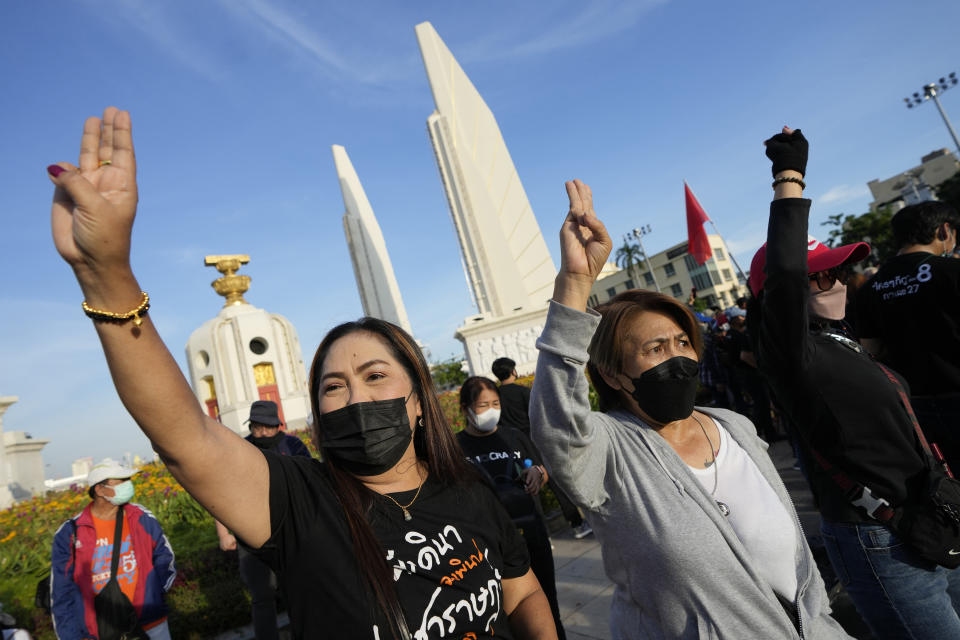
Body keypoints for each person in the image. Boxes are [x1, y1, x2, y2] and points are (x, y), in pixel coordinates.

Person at [46, 107, 555, 640]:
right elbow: (185, 436)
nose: (355, 397)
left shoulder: (467, 490)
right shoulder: (301, 505)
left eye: (376, 376)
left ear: (419, 399)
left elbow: (521, 589)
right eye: (333, 386)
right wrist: (106, 276)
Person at [529, 179, 849, 638]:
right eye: (656, 348)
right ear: (616, 374)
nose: (677, 357)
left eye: (683, 342)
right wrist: (575, 284)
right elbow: (558, 423)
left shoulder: (735, 426)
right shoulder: (607, 450)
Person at [749, 127, 960, 638]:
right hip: (881, 540)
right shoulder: (790, 353)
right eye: (819, 275)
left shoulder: (841, 342)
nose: (837, 281)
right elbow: (783, 272)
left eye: (840, 272)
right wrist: (789, 179)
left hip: (931, 521)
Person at [456, 377, 565, 640]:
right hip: (486, 545)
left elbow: (544, 469)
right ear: (465, 409)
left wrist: (538, 474)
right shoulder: (453, 447)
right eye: (483, 405)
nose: (492, 410)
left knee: (546, 606)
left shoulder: (513, 437)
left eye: (496, 403)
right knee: (504, 616)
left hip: (531, 534)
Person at [857, 201, 960, 471]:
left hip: (915, 407)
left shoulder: (871, 288)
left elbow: (871, 350)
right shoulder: (952, 272)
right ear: (944, 230)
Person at [214, 400, 311, 640]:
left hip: (292, 530)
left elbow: (311, 483)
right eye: (257, 427)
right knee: (261, 597)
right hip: (250, 535)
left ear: (278, 425)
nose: (262, 433)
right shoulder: (240, 449)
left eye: (267, 427)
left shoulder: (293, 445)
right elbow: (221, 493)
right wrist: (223, 532)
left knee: (298, 590)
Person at [50, 459, 176, 640]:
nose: (129, 485)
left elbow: (165, 556)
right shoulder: (71, 532)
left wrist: (155, 591)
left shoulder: (140, 517)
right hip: (102, 630)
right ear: (100, 490)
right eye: (122, 481)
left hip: (151, 622)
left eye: (128, 480)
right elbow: (61, 592)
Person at [491, 358, 592, 539]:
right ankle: (577, 524)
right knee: (554, 482)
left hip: (512, 446)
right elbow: (539, 416)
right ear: (513, 371)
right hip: (534, 442)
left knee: (525, 487)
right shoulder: (523, 392)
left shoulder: (496, 397)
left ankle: (540, 533)